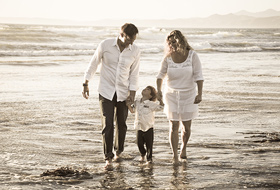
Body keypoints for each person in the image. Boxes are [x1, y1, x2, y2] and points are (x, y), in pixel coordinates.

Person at [82, 23, 140, 169]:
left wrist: (132, 95)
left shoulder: (135, 51)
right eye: (129, 40)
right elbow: (93, 63)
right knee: (107, 123)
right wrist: (86, 83)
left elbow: (134, 74)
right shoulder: (105, 45)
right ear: (121, 34)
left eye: (133, 40)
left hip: (123, 93)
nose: (131, 43)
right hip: (106, 91)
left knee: (122, 125)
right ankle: (108, 157)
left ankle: (118, 151)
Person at [156, 30, 204, 164]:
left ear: (181, 41)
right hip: (171, 94)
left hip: (188, 95)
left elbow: (199, 76)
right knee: (173, 125)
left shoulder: (192, 56)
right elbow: (160, 76)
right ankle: (175, 156)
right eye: (169, 43)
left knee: (186, 127)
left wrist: (199, 93)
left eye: (174, 42)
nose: (172, 45)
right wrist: (159, 91)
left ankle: (183, 147)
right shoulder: (167, 58)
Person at [127, 86, 164, 164]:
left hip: (148, 127)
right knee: (139, 143)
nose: (145, 89)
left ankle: (149, 159)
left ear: (150, 96)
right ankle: (142, 154)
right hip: (139, 126)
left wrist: (160, 99)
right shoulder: (137, 102)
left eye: (148, 90)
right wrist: (128, 105)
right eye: (145, 88)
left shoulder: (151, 104)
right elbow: (132, 111)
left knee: (149, 145)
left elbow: (161, 107)